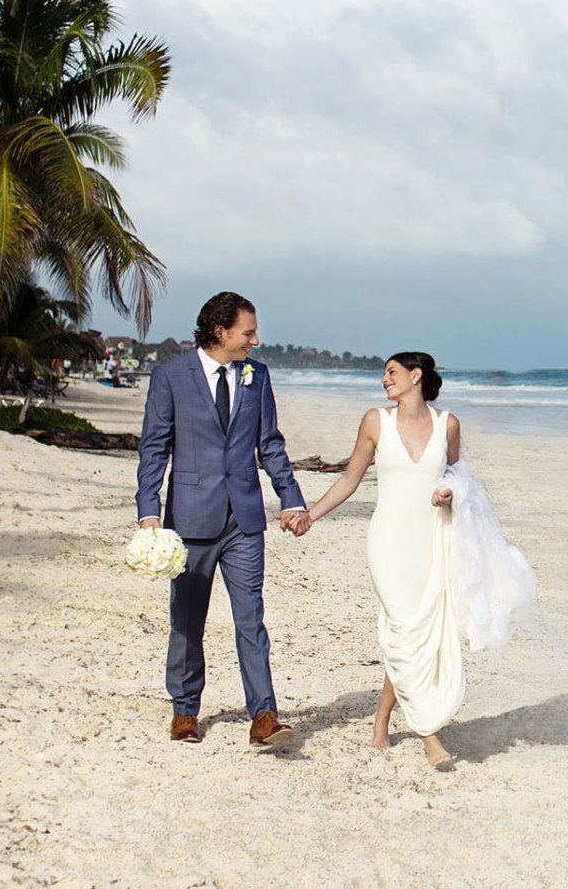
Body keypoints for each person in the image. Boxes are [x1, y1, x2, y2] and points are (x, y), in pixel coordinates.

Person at [135, 291, 309, 747]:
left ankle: (264, 715)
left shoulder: (258, 376)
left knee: (251, 617)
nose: (255, 341)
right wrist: (148, 511)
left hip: (245, 520)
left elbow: (269, 442)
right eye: (247, 332)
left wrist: (290, 498)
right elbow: (154, 446)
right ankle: (185, 711)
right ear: (220, 332)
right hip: (190, 519)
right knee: (187, 619)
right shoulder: (170, 377)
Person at [291, 352, 468, 770]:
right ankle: (430, 737)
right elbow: (351, 478)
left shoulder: (449, 424)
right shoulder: (376, 421)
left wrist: (450, 492)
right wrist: (310, 515)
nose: (384, 379)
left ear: (415, 376)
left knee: (411, 631)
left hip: (432, 537)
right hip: (388, 541)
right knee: (406, 625)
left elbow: (461, 478)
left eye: (391, 372)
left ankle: (382, 720)